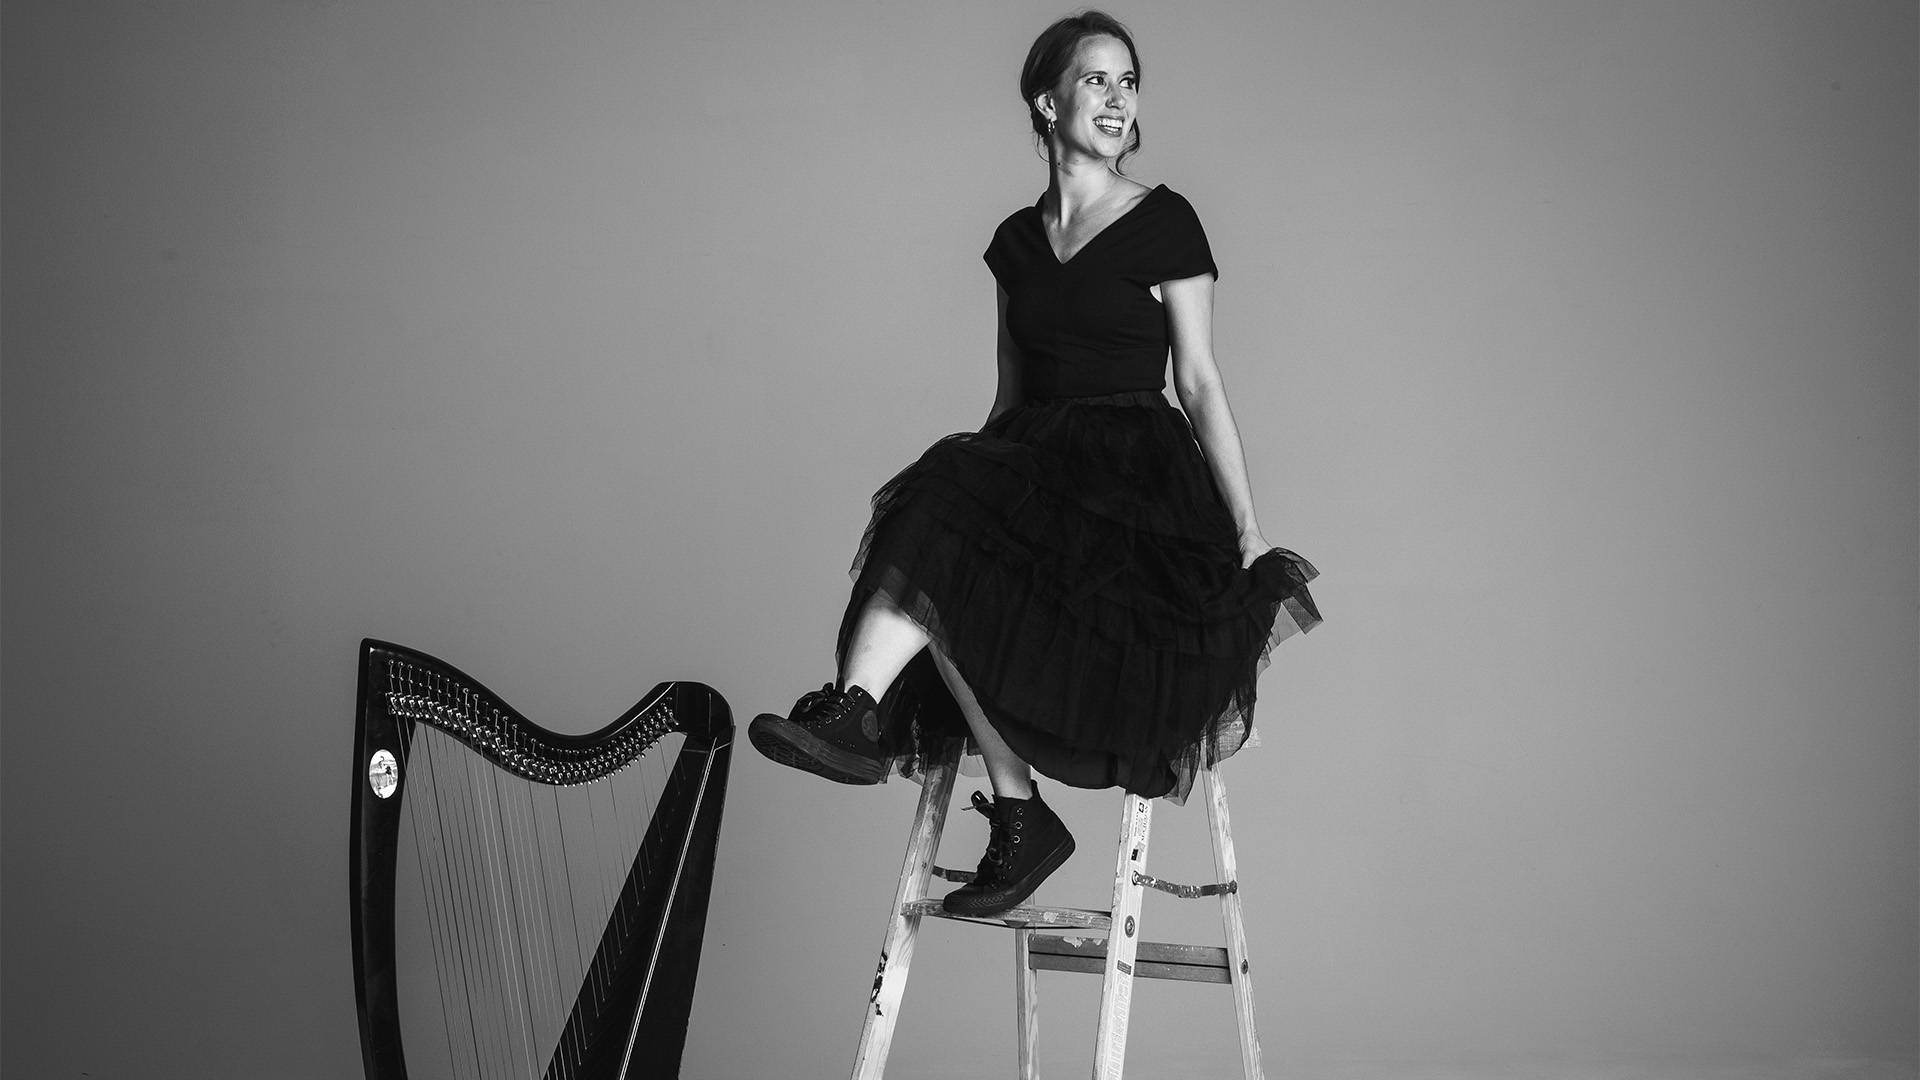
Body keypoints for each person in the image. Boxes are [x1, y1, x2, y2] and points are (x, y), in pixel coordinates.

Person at [749, 10, 1321, 919]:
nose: (1118, 99)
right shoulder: (1016, 243)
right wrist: (973, 492)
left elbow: (1202, 382)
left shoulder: (1166, 221)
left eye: (1129, 83)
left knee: (945, 520)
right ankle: (1001, 804)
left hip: (1135, 491)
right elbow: (1012, 395)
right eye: (1097, 80)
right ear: (1046, 102)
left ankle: (869, 717)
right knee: (947, 544)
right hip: (1040, 464)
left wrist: (1249, 529)